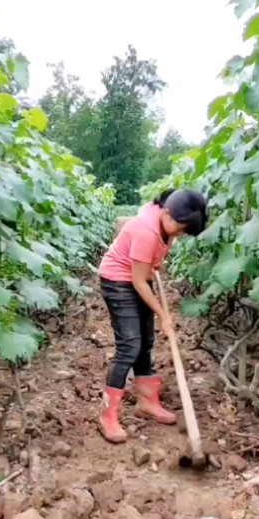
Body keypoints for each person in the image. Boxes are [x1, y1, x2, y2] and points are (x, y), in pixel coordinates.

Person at [96, 188, 208, 443]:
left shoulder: (166, 222)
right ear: (167, 212)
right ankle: (108, 415)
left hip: (139, 279)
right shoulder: (144, 231)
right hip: (118, 281)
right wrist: (163, 315)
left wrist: (156, 261)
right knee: (130, 346)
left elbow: (148, 270)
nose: (179, 234)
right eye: (180, 228)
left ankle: (147, 402)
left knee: (145, 342)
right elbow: (138, 282)